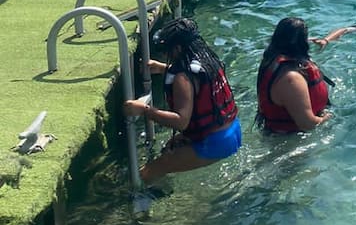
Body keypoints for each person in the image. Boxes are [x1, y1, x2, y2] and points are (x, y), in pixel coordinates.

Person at [123, 18, 241, 184]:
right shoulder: (209, 61)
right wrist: (163, 68)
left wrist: (144, 110)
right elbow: (197, 81)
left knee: (146, 173)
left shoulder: (182, 78)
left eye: (167, 50)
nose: (166, 54)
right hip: (232, 131)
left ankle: (139, 200)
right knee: (168, 149)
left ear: (177, 48)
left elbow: (181, 122)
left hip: (215, 143)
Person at [256, 18, 332, 134]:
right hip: (290, 141)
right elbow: (307, 124)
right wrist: (327, 118)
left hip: (275, 133)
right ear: (303, 43)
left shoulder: (270, 60)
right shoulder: (291, 79)